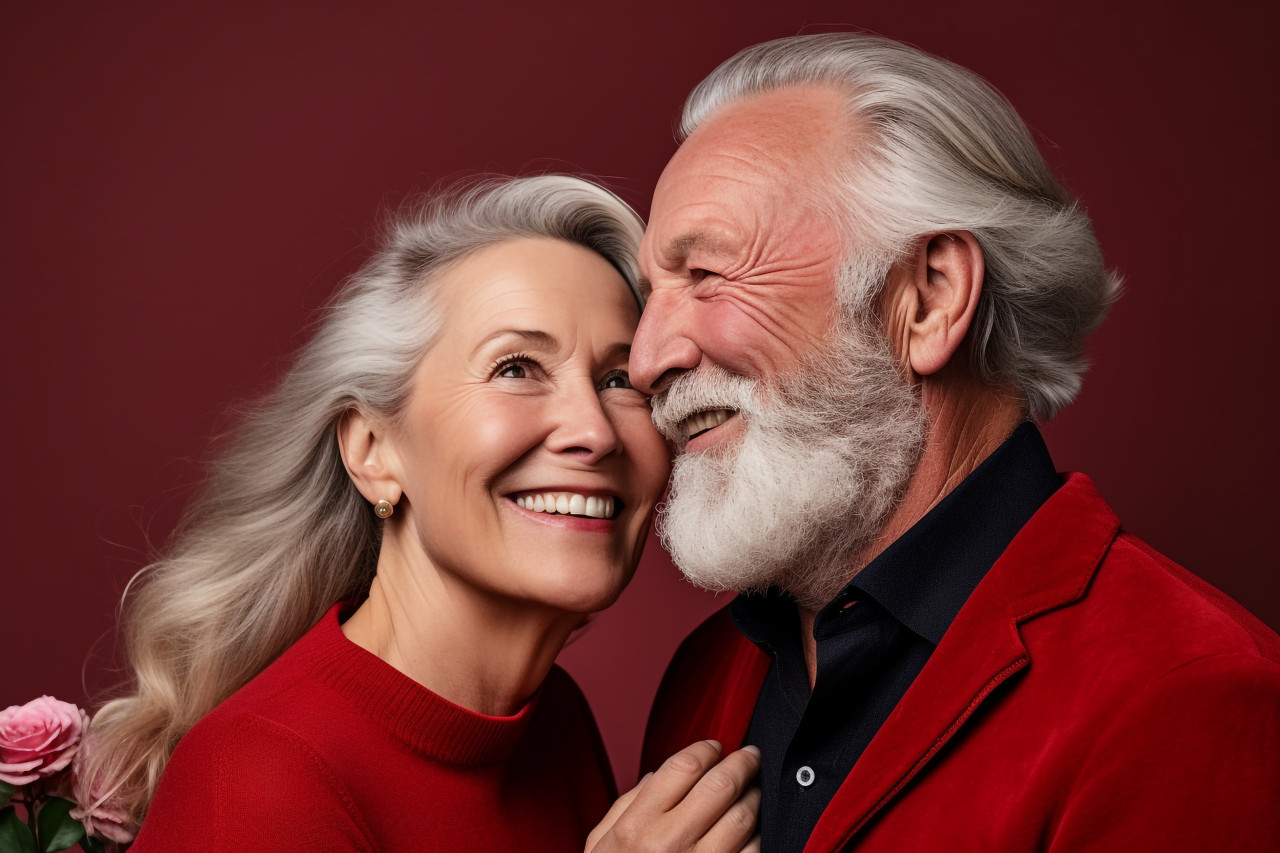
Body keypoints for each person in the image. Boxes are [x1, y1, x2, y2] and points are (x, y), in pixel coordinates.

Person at [632, 33, 1280, 852]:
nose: (649, 357)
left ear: (930, 298)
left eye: (707, 276)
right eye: (652, 293)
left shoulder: (1189, 697)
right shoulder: (705, 676)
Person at [79, 175, 761, 851]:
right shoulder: (256, 778)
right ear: (374, 449)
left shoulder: (551, 722)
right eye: (517, 368)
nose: (595, 430)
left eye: (618, 380)